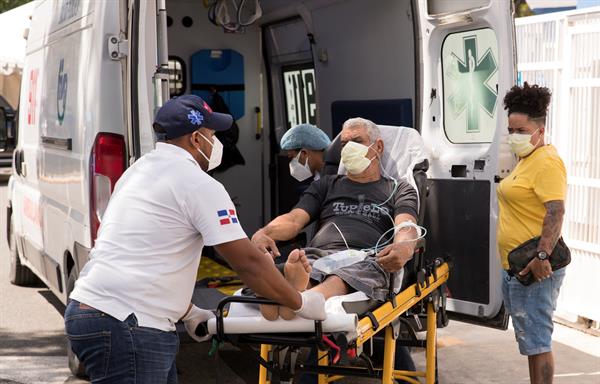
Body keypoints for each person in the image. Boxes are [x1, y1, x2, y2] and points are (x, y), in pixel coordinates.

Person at [64, 95, 326, 384]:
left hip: (92, 309)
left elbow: (137, 252)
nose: (217, 143)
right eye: (213, 135)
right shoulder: (199, 184)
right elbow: (248, 263)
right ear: (197, 139)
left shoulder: (137, 172)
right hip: (129, 324)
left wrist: (187, 311)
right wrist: (299, 303)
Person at [252, 117, 419, 319]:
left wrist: (404, 248)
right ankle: (297, 291)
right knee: (309, 265)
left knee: (346, 275)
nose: (348, 148)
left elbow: (406, 226)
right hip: (317, 255)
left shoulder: (398, 188)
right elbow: (294, 219)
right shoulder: (326, 185)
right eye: (343, 144)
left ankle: (299, 297)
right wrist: (264, 233)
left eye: (356, 142)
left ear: (379, 147)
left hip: (365, 257)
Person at [497, 83, 567, 384]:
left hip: (536, 267)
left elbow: (556, 211)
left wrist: (542, 256)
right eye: (511, 130)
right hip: (517, 266)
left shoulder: (547, 162)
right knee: (530, 343)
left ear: (540, 130)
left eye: (521, 131)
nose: (514, 136)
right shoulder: (526, 159)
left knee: (538, 341)